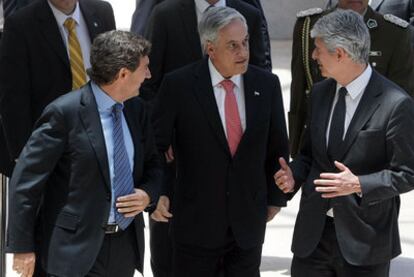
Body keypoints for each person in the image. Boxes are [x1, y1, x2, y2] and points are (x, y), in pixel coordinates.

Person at [6, 30, 162, 277]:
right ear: (123, 73)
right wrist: (22, 248)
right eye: (145, 68)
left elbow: (154, 165)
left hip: (123, 248)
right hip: (74, 253)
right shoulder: (64, 113)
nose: (149, 75)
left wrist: (147, 195)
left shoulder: (136, 110)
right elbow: (26, 183)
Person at [275, 9, 414, 277]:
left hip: (365, 243)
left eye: (318, 49)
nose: (314, 56)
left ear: (340, 54)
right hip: (312, 238)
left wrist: (359, 184)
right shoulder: (319, 93)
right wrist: (294, 175)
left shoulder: (395, 104)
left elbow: (407, 173)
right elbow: (309, 155)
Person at [153, 7, 289, 277]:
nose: (244, 52)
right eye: (233, 46)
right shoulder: (178, 85)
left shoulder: (267, 84)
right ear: (210, 48)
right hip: (195, 226)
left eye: (246, 42)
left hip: (248, 226)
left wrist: (276, 199)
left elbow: (277, 148)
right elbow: (155, 147)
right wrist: (159, 193)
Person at [0, 0, 116, 174]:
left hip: (101, 139)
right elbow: (13, 96)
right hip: (51, 147)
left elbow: (113, 74)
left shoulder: (102, 12)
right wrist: (25, 157)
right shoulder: (21, 24)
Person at [289, 0, 414, 157]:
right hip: (318, 145)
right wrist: (295, 153)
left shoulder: (394, 32)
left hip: (368, 151)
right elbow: (299, 95)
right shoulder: (307, 25)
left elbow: (402, 101)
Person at [141, 0, 268, 101]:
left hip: (235, 122)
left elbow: (260, 76)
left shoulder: (250, 14)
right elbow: (148, 79)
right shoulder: (164, 15)